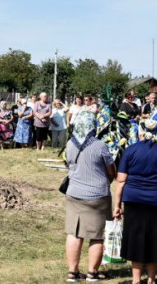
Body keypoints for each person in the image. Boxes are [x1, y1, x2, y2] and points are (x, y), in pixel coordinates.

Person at [113, 119, 157, 284]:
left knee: (136, 239)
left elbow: (121, 180)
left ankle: (136, 280)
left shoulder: (131, 150)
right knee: (155, 239)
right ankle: (151, 279)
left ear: (140, 131)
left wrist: (117, 205)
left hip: (134, 199)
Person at [63, 112, 116, 282]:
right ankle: (93, 272)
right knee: (97, 235)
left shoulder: (70, 144)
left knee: (74, 232)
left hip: (73, 194)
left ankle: (73, 272)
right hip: (97, 196)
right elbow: (111, 170)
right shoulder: (100, 146)